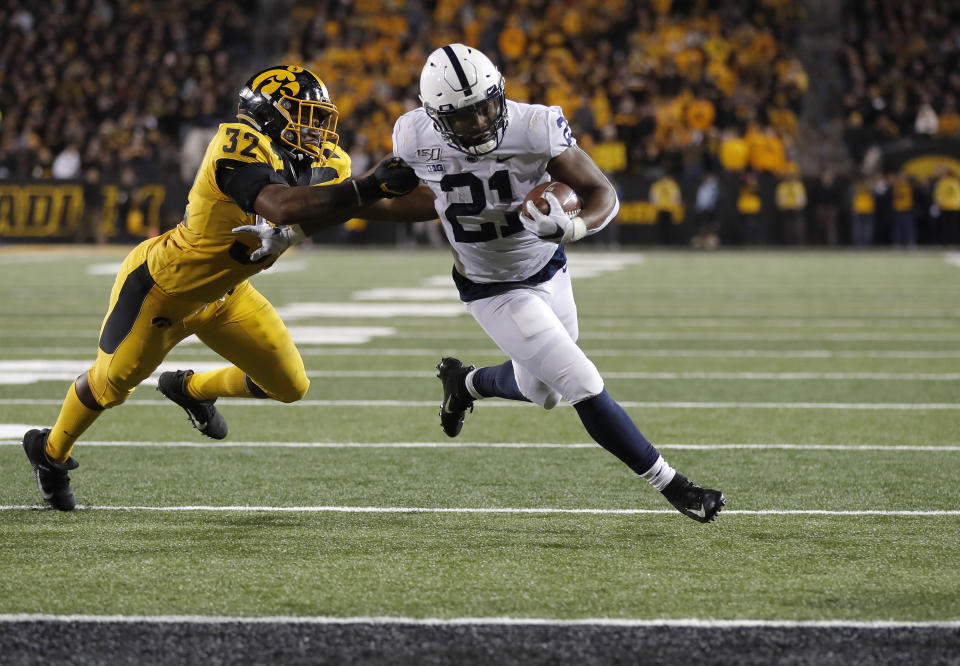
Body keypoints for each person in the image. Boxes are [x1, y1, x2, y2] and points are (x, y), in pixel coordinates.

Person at [23, 64, 419, 511]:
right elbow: (279, 204)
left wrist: (463, 205)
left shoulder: (325, 163)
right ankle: (50, 453)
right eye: (303, 113)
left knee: (290, 385)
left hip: (227, 295)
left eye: (318, 116)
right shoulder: (238, 142)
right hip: (162, 290)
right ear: (270, 113)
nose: (316, 128)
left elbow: (374, 203)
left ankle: (191, 389)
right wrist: (368, 186)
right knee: (109, 386)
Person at [362, 44, 725, 523]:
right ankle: (676, 486)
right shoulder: (412, 136)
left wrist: (573, 228)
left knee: (544, 392)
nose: (479, 122)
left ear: (500, 93)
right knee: (580, 381)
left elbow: (603, 193)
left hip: (549, 267)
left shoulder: (535, 126)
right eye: (463, 117)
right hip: (492, 288)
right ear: (436, 116)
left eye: (486, 107)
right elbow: (412, 198)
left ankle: (465, 383)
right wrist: (321, 216)